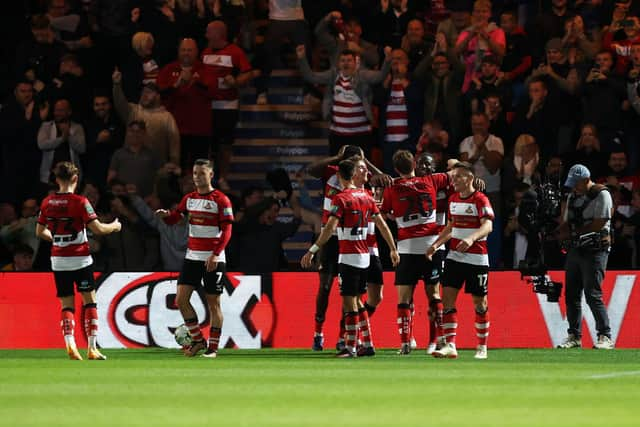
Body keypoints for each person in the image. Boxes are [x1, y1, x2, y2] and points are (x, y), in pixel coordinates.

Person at [301, 159, 399, 357]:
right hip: (365, 256)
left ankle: (350, 347)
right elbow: (382, 225)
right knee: (358, 301)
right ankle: (368, 343)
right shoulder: (367, 196)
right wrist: (392, 248)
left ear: (339, 176)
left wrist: (313, 249)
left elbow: (330, 228)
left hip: (348, 256)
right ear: (353, 174)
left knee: (349, 303)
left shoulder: (341, 199)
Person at [35, 161, 122, 360]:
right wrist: (115, 226)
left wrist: (57, 239)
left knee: (67, 304)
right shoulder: (80, 201)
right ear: (76, 179)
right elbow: (98, 229)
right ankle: (92, 347)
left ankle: (70, 343)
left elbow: (40, 231)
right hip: (81, 259)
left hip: (58, 260)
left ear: (56, 179)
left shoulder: (47, 202)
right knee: (90, 301)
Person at [156, 159, 234, 358]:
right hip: (192, 256)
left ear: (211, 175)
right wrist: (166, 216)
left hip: (213, 259)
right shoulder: (189, 199)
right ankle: (199, 341)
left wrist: (216, 255)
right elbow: (176, 219)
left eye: (201, 173)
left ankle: (213, 349)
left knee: (213, 303)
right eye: (195, 173)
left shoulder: (221, 199)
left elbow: (227, 231)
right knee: (181, 299)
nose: (197, 177)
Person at [382, 150, 451, 355]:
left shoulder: (392, 187)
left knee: (404, 298)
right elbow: (456, 171)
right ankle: (439, 340)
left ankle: (405, 343)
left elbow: (385, 212)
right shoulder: (431, 180)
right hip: (431, 246)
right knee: (435, 295)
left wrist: (396, 216)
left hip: (406, 247)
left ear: (395, 169)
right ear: (415, 164)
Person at [427, 162, 494, 360]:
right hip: (455, 257)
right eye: (453, 177)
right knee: (447, 299)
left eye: (459, 177)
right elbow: (451, 225)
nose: (454, 180)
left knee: (479, 303)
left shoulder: (481, 199)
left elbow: (488, 225)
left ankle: (482, 347)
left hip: (477, 259)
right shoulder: (453, 199)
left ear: (470, 179)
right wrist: (436, 244)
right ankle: (450, 345)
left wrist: (471, 238)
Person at [553, 164, 614, 350]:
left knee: (592, 293)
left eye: (576, 183)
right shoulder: (572, 196)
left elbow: (599, 223)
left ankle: (605, 335)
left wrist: (573, 233)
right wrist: (555, 232)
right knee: (571, 294)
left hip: (596, 250)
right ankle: (574, 335)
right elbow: (566, 222)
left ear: (586, 180)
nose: (574, 187)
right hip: (576, 249)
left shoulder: (602, 194)